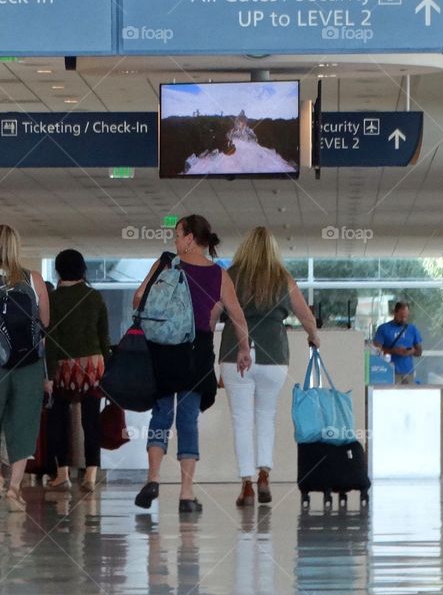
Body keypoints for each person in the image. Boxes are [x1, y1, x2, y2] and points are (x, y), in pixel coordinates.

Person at [133, 215, 251, 514]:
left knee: (161, 414)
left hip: (163, 350)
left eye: (177, 234)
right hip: (196, 351)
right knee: (188, 420)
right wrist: (243, 349)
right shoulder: (219, 275)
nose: (174, 241)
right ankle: (186, 494)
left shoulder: (166, 265)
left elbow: (138, 300)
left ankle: (154, 478)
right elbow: (236, 314)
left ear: (188, 238)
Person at [220, 227, 320, 507]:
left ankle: (247, 486)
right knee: (266, 415)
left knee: (242, 420)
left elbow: (214, 312)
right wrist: (314, 337)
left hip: (234, 353)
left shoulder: (231, 275)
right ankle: (264, 475)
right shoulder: (282, 278)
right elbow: (306, 317)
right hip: (274, 355)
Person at [0, 224, 51, 512]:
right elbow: (45, 322)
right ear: (17, 247)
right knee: (24, 421)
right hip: (28, 360)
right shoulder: (35, 280)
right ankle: (15, 489)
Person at [44, 249, 110, 493]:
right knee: (91, 421)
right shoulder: (94, 297)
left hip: (64, 367)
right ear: (83, 269)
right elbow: (104, 337)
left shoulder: (53, 299)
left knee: (58, 421)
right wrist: (107, 367)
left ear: (58, 270)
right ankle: (91, 473)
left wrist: (49, 375)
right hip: (93, 365)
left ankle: (62, 474)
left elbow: (50, 340)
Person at [372, 302, 423, 385]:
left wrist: (411, 351)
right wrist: (393, 351)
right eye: (401, 316)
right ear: (395, 312)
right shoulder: (383, 329)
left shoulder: (412, 329)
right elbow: (375, 351)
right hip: (388, 371)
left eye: (406, 317)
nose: (403, 319)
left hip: (408, 372)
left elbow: (419, 352)